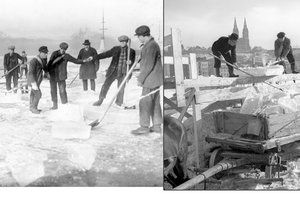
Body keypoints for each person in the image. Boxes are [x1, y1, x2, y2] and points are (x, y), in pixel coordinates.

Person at [131, 25, 163, 135]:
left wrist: (141, 79)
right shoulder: (151, 45)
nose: (138, 38)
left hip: (150, 80)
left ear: (143, 35)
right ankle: (157, 126)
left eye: (139, 36)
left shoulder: (150, 46)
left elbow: (148, 65)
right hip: (156, 80)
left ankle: (144, 127)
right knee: (155, 103)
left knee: (144, 102)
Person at [92, 35, 136, 107]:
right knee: (105, 85)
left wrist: (130, 62)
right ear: (119, 42)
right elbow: (105, 54)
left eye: (124, 42)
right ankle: (100, 100)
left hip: (123, 72)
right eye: (121, 42)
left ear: (127, 42)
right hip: (113, 71)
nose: (123, 43)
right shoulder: (115, 49)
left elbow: (132, 62)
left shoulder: (131, 51)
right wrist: (94, 57)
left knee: (121, 88)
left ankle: (118, 102)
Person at [47, 42, 91, 110]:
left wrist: (85, 60)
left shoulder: (66, 56)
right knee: (53, 91)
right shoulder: (54, 54)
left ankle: (64, 106)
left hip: (62, 76)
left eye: (65, 49)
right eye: (62, 49)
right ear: (60, 48)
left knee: (62, 91)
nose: (63, 50)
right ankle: (55, 106)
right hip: (53, 76)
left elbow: (76, 61)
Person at [27, 46, 48, 114]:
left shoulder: (44, 59)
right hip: (32, 80)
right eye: (45, 53)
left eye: (46, 53)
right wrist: (33, 83)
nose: (46, 54)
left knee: (33, 93)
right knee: (38, 94)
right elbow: (31, 73)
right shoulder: (34, 61)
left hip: (38, 80)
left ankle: (31, 107)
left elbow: (45, 68)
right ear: (40, 53)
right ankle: (33, 107)